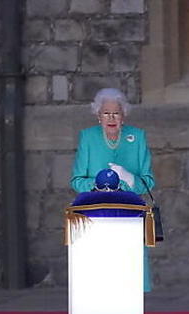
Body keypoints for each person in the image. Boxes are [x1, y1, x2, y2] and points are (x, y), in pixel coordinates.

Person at [70, 88, 156, 291]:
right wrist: (99, 184)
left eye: (116, 113)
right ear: (98, 116)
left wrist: (129, 178)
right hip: (96, 214)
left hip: (129, 214)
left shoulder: (137, 137)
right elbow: (76, 181)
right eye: (106, 113)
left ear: (123, 116)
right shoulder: (88, 138)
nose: (111, 118)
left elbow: (148, 182)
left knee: (128, 276)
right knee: (101, 278)